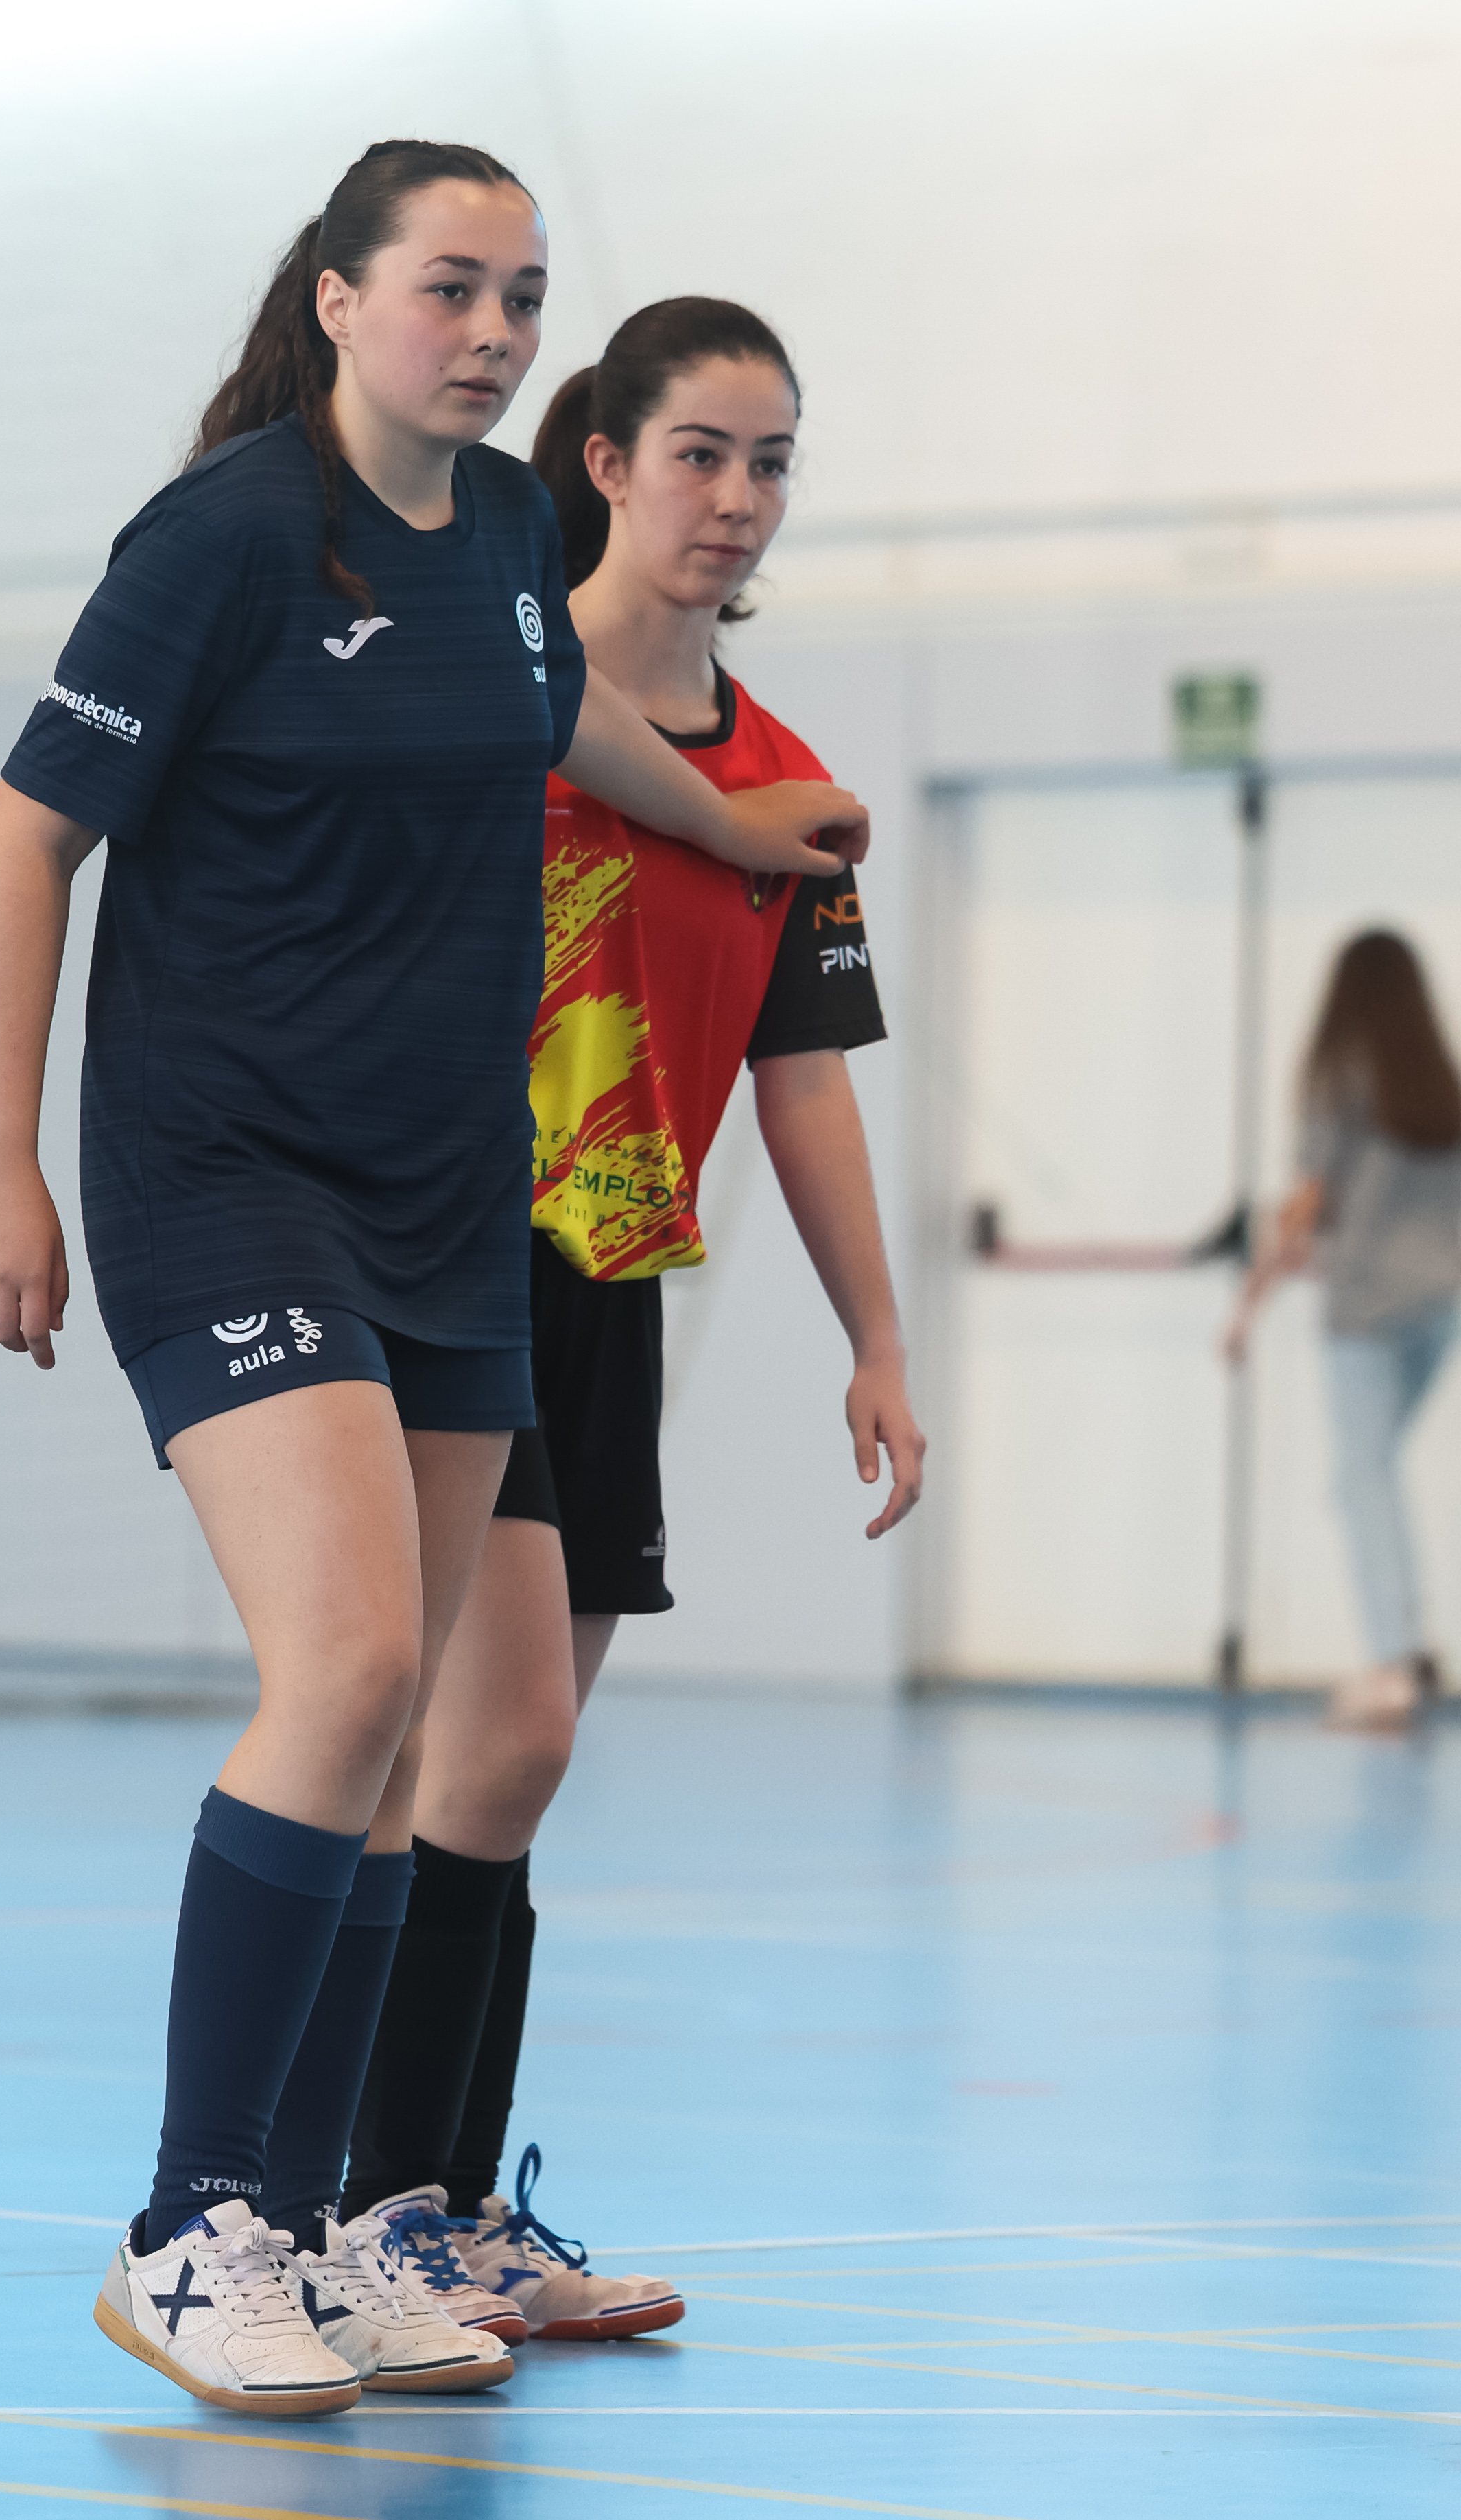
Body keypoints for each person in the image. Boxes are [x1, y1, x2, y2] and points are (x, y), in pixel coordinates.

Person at [0, 144, 869, 2418]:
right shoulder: (228, 538)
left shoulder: (513, 553)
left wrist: (731, 829)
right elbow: (26, 843)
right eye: (449, 287)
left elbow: (558, 718)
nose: (490, 329)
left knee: (399, 1747)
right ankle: (184, 2226)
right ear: (341, 300)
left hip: (449, 1200)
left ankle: (300, 2227)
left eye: (520, 295)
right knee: (349, 1663)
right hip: (225, 1177)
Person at [329, 298, 925, 2345]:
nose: (738, 500)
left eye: (772, 463)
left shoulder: (789, 789)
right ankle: (378, 2208)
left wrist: (876, 1339)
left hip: (609, 1279)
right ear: (605, 461)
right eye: (700, 454)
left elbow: (803, 1079)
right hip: (441, 1258)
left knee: (502, 1767)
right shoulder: (497, 689)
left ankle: (439, 2206)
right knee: (497, 1737)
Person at [1223, 928, 1461, 1732]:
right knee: (1374, 1477)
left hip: (1366, 1307)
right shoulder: (1439, 1081)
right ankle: (1408, 1649)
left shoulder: (1342, 1073)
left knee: (1363, 1481)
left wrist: (1250, 1301)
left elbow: (1308, 1200)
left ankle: (1393, 1663)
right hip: (1440, 1303)